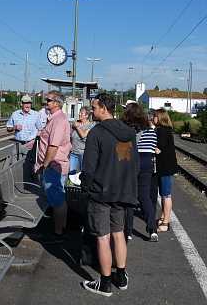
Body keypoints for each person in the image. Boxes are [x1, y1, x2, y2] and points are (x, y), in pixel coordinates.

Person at [81, 93, 138, 297]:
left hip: (101, 193)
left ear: (104, 108)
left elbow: (88, 168)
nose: (92, 111)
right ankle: (121, 276)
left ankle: (104, 283)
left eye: (94, 107)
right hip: (121, 192)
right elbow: (128, 162)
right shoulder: (127, 132)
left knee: (103, 238)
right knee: (119, 233)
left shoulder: (96, 133)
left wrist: (86, 188)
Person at [35, 91, 71, 242]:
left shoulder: (58, 120)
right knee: (59, 198)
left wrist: (45, 165)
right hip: (56, 166)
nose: (46, 102)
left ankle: (58, 232)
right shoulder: (55, 119)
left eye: (48, 100)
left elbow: (53, 146)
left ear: (57, 103)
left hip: (53, 166)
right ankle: (61, 228)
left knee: (57, 200)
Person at [122, 103, 158, 242]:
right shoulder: (151, 131)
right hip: (148, 162)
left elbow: (126, 150)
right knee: (145, 196)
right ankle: (152, 229)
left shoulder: (130, 130)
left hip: (134, 161)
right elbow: (153, 147)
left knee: (130, 196)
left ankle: (128, 231)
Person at [154, 109, 178, 232]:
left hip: (165, 168)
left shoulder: (161, 131)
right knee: (164, 194)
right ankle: (163, 217)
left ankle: (166, 222)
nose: (153, 118)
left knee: (166, 195)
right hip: (165, 167)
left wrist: (154, 148)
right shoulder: (166, 130)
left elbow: (159, 148)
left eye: (155, 116)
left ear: (160, 118)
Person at [69, 106, 94, 174]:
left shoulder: (91, 125)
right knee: (72, 174)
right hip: (73, 153)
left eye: (82, 113)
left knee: (83, 174)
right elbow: (70, 136)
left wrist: (77, 127)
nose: (79, 114)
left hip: (83, 154)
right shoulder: (75, 123)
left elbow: (83, 135)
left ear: (87, 115)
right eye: (79, 112)